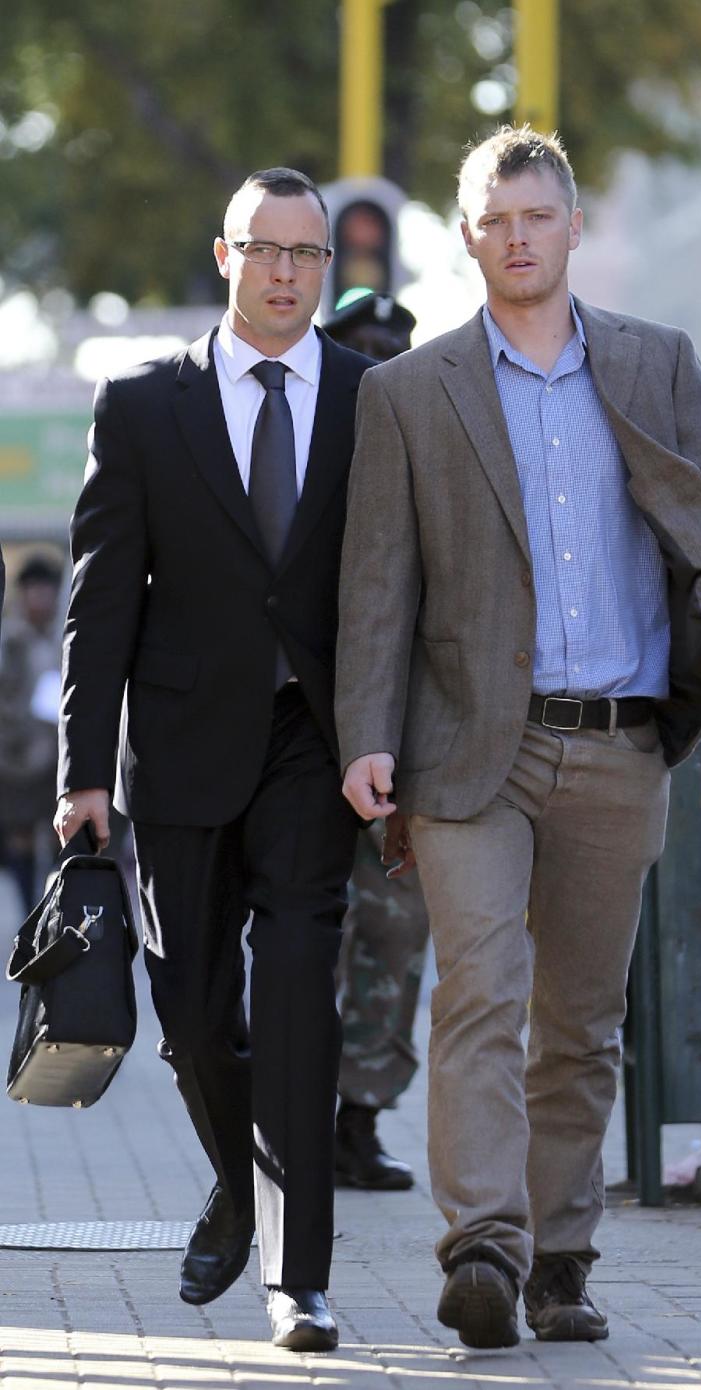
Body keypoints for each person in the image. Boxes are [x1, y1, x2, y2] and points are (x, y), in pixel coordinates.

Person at [336, 126, 701, 1350]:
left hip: (622, 742)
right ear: (468, 235)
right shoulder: (407, 393)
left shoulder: (657, 365)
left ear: (572, 227)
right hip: (473, 749)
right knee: (481, 990)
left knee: (581, 1023)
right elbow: (378, 584)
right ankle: (482, 1245)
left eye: (538, 215)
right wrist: (366, 733)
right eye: (496, 218)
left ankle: (561, 1258)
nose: (518, 236)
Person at [54, 167, 371, 1353]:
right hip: (179, 748)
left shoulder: (367, 396)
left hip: (313, 742)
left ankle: (300, 1277)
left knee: (296, 988)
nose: (289, 272)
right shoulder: (143, 406)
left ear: (324, 268)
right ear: (227, 255)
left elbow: (386, 585)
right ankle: (246, 1185)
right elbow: (99, 605)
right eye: (267, 249)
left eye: (309, 253)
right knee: (190, 1014)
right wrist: (84, 777)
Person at [323, 289, 426, 1192]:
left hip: (407, 740)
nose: (380, 360)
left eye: (395, 346)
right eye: (364, 345)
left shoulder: (429, 442)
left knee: (395, 940)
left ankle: (361, 1118)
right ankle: (291, 1113)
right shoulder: (305, 448)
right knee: (306, 937)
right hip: (307, 738)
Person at [0, 553, 63, 910]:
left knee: (60, 838)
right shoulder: (8, 640)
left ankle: (53, 913)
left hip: (58, 757)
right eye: (33, 590)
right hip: (16, 758)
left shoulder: (67, 636)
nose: (40, 598)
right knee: (21, 837)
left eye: (46, 590)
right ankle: (29, 914)